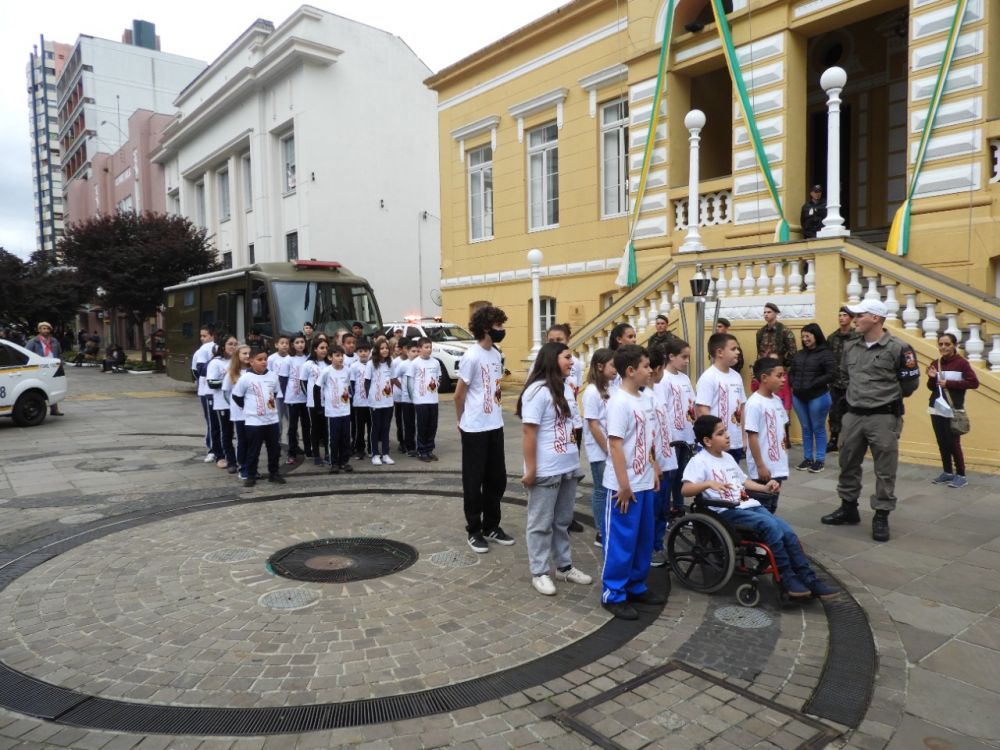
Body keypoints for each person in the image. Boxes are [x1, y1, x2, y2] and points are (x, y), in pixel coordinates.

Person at [683, 415, 839, 599]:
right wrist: (708, 484)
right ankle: (786, 577)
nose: (727, 435)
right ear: (707, 441)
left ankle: (809, 579)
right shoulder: (699, 461)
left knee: (788, 532)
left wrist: (765, 487)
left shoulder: (727, 458)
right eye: (721, 433)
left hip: (748, 505)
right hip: (727, 511)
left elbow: (745, 482)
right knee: (771, 528)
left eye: (726, 430)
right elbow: (686, 489)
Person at [821, 299, 920, 541]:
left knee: (885, 470)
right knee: (847, 462)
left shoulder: (899, 348)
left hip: (883, 417)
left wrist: (884, 397)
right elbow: (844, 376)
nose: (854, 319)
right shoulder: (850, 347)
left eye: (859, 315)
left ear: (875, 318)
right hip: (853, 415)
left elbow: (910, 384)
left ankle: (881, 515)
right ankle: (848, 507)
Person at [518, 342, 593, 596]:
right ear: (552, 359)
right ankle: (539, 572)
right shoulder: (536, 392)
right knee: (540, 523)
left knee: (562, 521)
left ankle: (564, 567)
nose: (572, 362)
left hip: (568, 466)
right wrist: (531, 469)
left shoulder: (564, 388)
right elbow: (529, 432)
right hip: (546, 469)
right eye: (567, 357)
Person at [600, 344, 665, 621]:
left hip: (644, 481)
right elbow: (615, 445)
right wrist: (624, 485)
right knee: (621, 540)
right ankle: (613, 593)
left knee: (643, 538)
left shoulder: (643, 399)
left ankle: (636, 585)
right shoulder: (619, 402)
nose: (650, 371)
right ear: (630, 371)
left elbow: (647, 440)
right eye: (646, 366)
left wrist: (654, 469)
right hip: (623, 486)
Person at [456, 305, 512, 553]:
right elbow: (459, 394)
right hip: (474, 428)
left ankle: (492, 525)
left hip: (495, 425)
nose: (502, 330)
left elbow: (496, 389)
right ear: (486, 328)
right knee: (473, 481)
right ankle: (474, 530)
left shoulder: (496, 354)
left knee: (497, 479)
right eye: (499, 326)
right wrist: (461, 423)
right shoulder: (472, 355)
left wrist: (496, 413)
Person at [927, 333, 979, 489]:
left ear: (954, 345)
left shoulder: (962, 363)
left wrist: (948, 383)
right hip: (936, 407)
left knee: (953, 443)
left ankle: (961, 475)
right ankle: (947, 472)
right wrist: (931, 378)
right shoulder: (936, 363)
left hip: (953, 408)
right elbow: (931, 387)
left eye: (947, 344)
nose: (943, 347)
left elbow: (974, 383)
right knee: (942, 441)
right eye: (941, 344)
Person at [231, 347, 286, 487]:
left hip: (272, 419)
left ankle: (274, 473)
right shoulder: (246, 378)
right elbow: (237, 396)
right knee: (253, 449)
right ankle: (251, 474)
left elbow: (276, 393)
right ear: (251, 361)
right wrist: (249, 408)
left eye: (265, 359)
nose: (263, 362)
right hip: (254, 421)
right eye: (259, 359)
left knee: (274, 448)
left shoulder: (273, 376)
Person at [646, 346, 678, 568]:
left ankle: (657, 545)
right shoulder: (644, 396)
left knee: (662, 509)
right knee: (653, 510)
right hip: (655, 466)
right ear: (656, 369)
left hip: (667, 460)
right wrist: (654, 462)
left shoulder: (658, 391)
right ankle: (651, 549)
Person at [789, 323, 836, 473]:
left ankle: (820, 460)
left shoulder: (826, 353)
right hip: (799, 397)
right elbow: (792, 372)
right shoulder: (799, 354)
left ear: (816, 335)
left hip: (818, 396)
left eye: (808, 335)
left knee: (818, 428)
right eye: (803, 336)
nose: (805, 339)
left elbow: (831, 373)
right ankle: (807, 458)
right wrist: (793, 383)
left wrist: (814, 383)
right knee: (806, 428)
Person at [658, 338, 696, 520]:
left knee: (683, 474)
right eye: (683, 357)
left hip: (687, 435)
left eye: (688, 357)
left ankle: (679, 508)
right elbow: (663, 409)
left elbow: (691, 405)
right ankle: (664, 510)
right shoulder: (664, 379)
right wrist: (669, 436)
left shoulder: (685, 378)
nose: (687, 361)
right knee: (670, 476)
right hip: (673, 437)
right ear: (671, 357)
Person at [745, 358, 790, 512]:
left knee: (772, 504)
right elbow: (752, 437)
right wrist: (760, 466)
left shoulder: (777, 400)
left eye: (784, 375)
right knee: (762, 507)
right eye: (779, 376)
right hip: (763, 469)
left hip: (777, 466)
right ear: (764, 378)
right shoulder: (754, 403)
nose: (783, 380)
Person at [582, 348, 615, 548]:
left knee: (610, 489)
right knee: (601, 490)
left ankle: (610, 526)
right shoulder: (592, 392)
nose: (616, 369)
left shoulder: (612, 388)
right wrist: (608, 449)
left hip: (611, 449)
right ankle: (601, 531)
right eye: (613, 365)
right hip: (600, 451)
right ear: (600, 366)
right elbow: (593, 424)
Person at [696, 333, 747, 464]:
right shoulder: (708, 377)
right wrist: (716, 437)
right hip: (715, 444)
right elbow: (703, 411)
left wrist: (744, 436)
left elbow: (741, 408)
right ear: (720, 352)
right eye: (733, 349)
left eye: (738, 349)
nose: (738, 352)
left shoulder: (736, 376)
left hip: (734, 441)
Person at [318, 343, 354, 474]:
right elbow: (317, 387)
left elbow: (348, 387)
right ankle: (334, 462)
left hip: (345, 410)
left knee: (345, 437)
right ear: (330, 357)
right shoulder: (326, 371)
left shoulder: (347, 370)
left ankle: (345, 461)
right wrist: (319, 406)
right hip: (332, 412)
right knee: (333, 438)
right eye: (337, 356)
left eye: (342, 356)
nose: (340, 358)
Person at [826, 306, 858, 453]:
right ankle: (833, 439)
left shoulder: (857, 337)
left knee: (852, 412)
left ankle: (851, 442)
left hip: (852, 382)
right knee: (834, 412)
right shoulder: (832, 338)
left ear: (851, 318)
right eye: (839, 315)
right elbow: (827, 359)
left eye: (845, 315)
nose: (841, 318)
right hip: (835, 382)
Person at [206, 335, 238, 471]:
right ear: (223, 346)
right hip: (223, 403)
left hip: (238, 403)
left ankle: (241, 459)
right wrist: (229, 381)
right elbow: (212, 383)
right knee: (226, 432)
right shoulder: (216, 362)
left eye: (235, 344)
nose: (233, 347)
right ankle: (224, 458)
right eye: (230, 344)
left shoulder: (239, 361)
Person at [755, 303, 795, 413]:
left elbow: (793, 353)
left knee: (781, 404)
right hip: (765, 373)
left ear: (776, 313)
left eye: (769, 312)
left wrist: (780, 361)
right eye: (764, 312)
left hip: (779, 374)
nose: (766, 314)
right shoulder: (760, 332)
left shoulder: (784, 331)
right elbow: (759, 352)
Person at [364, 337, 397, 465]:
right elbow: (366, 382)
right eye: (382, 348)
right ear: (377, 350)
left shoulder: (391, 362)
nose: (384, 350)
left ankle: (386, 454)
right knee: (376, 427)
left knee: (386, 427)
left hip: (388, 401)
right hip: (375, 402)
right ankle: (375, 454)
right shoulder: (371, 364)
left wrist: (390, 396)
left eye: (386, 348)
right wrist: (371, 398)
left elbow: (392, 380)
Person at [279, 334, 311, 464]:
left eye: (302, 342)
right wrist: (285, 395)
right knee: (292, 426)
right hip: (292, 397)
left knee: (306, 425)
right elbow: (283, 379)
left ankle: (309, 449)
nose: (300, 344)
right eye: (297, 342)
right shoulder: (288, 359)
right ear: (292, 344)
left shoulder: (308, 358)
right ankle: (292, 452)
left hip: (306, 398)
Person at [409, 337, 441, 462]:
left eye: (430, 347)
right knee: (422, 426)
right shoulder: (415, 363)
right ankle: (421, 451)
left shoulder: (435, 362)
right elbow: (410, 381)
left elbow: (439, 377)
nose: (429, 350)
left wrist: (435, 385)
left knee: (432, 425)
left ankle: (429, 449)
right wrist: (414, 397)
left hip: (433, 399)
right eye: (426, 347)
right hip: (420, 400)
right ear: (419, 349)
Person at [26, 322, 65, 416]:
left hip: (53, 366)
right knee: (40, 387)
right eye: (43, 328)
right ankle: (34, 408)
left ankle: (54, 409)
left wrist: (61, 362)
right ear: (39, 330)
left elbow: (60, 353)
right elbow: (26, 353)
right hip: (40, 367)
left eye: (47, 329)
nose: (46, 330)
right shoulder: (33, 341)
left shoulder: (54, 341)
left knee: (53, 386)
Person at [225, 345, 251, 479]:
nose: (247, 356)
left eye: (249, 353)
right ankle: (243, 467)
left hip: (252, 412)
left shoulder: (252, 371)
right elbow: (226, 392)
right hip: (239, 413)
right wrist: (233, 406)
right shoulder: (232, 373)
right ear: (238, 356)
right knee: (242, 440)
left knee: (252, 440)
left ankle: (252, 467)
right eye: (244, 353)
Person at [303, 337, 330, 465]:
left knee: (326, 429)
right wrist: (309, 396)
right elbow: (303, 382)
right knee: (315, 428)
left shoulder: (329, 364)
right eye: (321, 348)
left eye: (326, 348)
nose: (324, 350)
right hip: (313, 403)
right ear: (315, 349)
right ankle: (316, 455)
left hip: (328, 402)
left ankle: (328, 453)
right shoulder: (308, 364)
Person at [191, 325, 217, 460]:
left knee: (211, 421)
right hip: (214, 391)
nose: (202, 339)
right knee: (216, 421)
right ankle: (215, 448)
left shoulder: (202, 350)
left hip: (206, 391)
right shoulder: (206, 349)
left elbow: (196, 371)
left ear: (212, 335)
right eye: (201, 336)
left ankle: (213, 449)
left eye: (205, 336)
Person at [350, 339, 373, 459]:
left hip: (371, 403)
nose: (363, 353)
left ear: (370, 352)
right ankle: (359, 450)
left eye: (366, 351)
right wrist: (354, 397)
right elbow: (351, 385)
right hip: (359, 403)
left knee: (371, 427)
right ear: (357, 352)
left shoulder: (373, 365)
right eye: (360, 351)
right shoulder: (354, 366)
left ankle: (371, 448)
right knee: (359, 428)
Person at [267, 335, 290, 442]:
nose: (284, 345)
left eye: (287, 343)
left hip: (289, 393)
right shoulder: (271, 358)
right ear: (276, 345)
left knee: (291, 418)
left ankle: (292, 440)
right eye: (282, 343)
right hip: (276, 393)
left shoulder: (291, 358)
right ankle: (277, 440)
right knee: (277, 418)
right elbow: (268, 375)